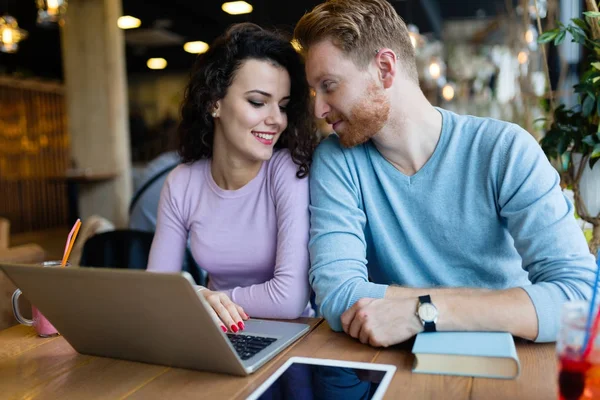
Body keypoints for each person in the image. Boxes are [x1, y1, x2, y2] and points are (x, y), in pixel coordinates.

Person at [294, 0, 596, 347]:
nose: (318, 108)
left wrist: (423, 312)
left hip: (514, 359)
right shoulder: (338, 159)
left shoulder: (505, 150)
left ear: (385, 69)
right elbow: (338, 294)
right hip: (396, 363)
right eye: (315, 91)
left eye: (329, 85)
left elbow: (580, 298)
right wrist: (500, 306)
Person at [147, 23, 316, 334]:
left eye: (283, 106)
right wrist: (195, 297)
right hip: (213, 333)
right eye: (257, 102)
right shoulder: (182, 182)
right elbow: (157, 291)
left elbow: (290, 299)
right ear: (214, 102)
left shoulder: (287, 171)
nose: (276, 120)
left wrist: (201, 300)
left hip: (290, 335)